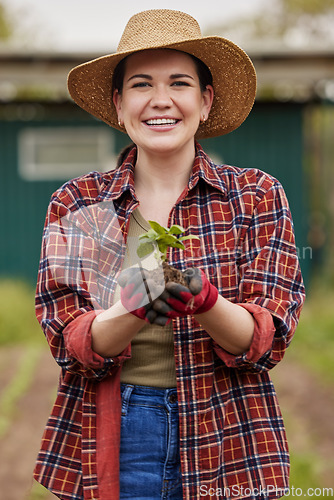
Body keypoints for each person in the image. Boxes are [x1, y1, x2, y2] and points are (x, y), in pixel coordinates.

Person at [33, 9, 305, 500]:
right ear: (118, 104)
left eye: (180, 83)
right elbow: (68, 339)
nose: (161, 101)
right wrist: (132, 310)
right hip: (114, 430)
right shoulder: (77, 203)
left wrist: (206, 303)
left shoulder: (256, 195)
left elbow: (266, 339)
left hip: (229, 431)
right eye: (141, 85)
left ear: (205, 101)